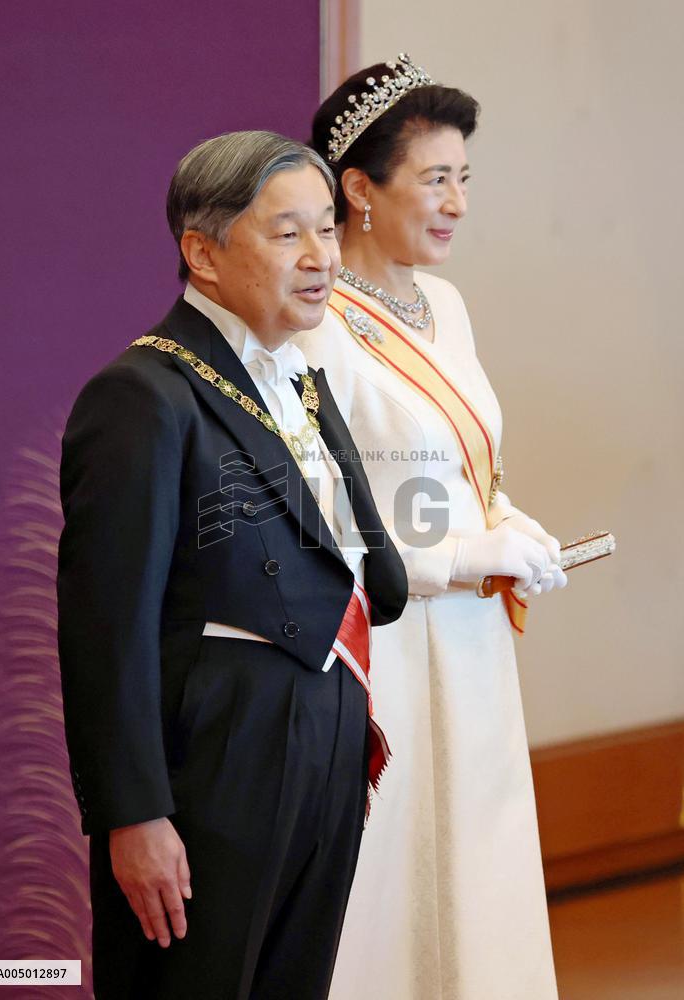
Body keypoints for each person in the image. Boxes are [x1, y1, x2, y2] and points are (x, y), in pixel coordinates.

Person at [56, 130, 408, 1000]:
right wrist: (133, 813)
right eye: (287, 234)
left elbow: (371, 570)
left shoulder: (301, 379)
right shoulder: (140, 394)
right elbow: (108, 628)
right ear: (201, 252)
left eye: (328, 229)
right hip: (218, 751)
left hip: (326, 729)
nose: (321, 256)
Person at [293, 55, 566, 999]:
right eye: (433, 179)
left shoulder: (443, 302)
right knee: (397, 864)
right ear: (358, 189)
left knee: (479, 851)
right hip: (388, 639)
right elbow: (315, 521)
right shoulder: (313, 324)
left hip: (473, 634)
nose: (454, 203)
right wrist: (458, 554)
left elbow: (460, 465)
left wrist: (507, 522)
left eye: (464, 179)